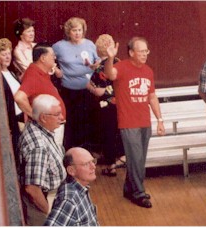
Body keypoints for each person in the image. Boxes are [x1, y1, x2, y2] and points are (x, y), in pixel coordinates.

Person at [103, 37, 166, 208]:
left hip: (145, 122)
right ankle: (138, 193)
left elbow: (152, 97)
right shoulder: (121, 67)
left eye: (146, 51)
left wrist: (159, 120)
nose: (145, 54)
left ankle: (129, 188)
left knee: (139, 159)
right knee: (136, 159)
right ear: (131, 52)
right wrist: (110, 58)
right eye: (141, 51)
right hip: (128, 122)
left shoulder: (148, 71)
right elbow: (110, 74)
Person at [53, 17, 101, 151]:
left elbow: (98, 60)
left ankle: (87, 152)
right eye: (74, 30)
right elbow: (47, 57)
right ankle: (71, 152)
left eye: (80, 30)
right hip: (69, 91)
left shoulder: (90, 44)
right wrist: (55, 70)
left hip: (88, 90)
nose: (77, 33)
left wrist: (96, 65)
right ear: (68, 32)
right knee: (72, 123)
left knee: (88, 122)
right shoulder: (59, 46)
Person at [18, 94, 66, 226]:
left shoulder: (37, 127)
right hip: (41, 205)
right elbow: (32, 189)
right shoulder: (38, 147)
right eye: (57, 114)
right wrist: (49, 212)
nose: (61, 118)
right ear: (43, 118)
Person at [14, 43, 65, 147]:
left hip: (53, 126)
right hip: (47, 129)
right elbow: (19, 97)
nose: (54, 58)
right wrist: (35, 116)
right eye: (52, 55)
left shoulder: (41, 72)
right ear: (43, 58)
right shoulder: (33, 75)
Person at [91, 34, 126, 177]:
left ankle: (111, 164)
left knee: (108, 134)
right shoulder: (120, 62)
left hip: (105, 105)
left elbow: (97, 89)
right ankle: (123, 157)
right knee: (120, 131)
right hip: (120, 103)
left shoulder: (99, 68)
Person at [44, 147, 99, 226]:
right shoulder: (69, 200)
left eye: (93, 161)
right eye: (86, 164)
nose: (93, 167)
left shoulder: (81, 189)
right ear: (71, 170)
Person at [0, 38, 23, 166]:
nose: (8, 57)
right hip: (10, 120)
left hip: (19, 116)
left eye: (9, 53)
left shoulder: (11, 73)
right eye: (3, 54)